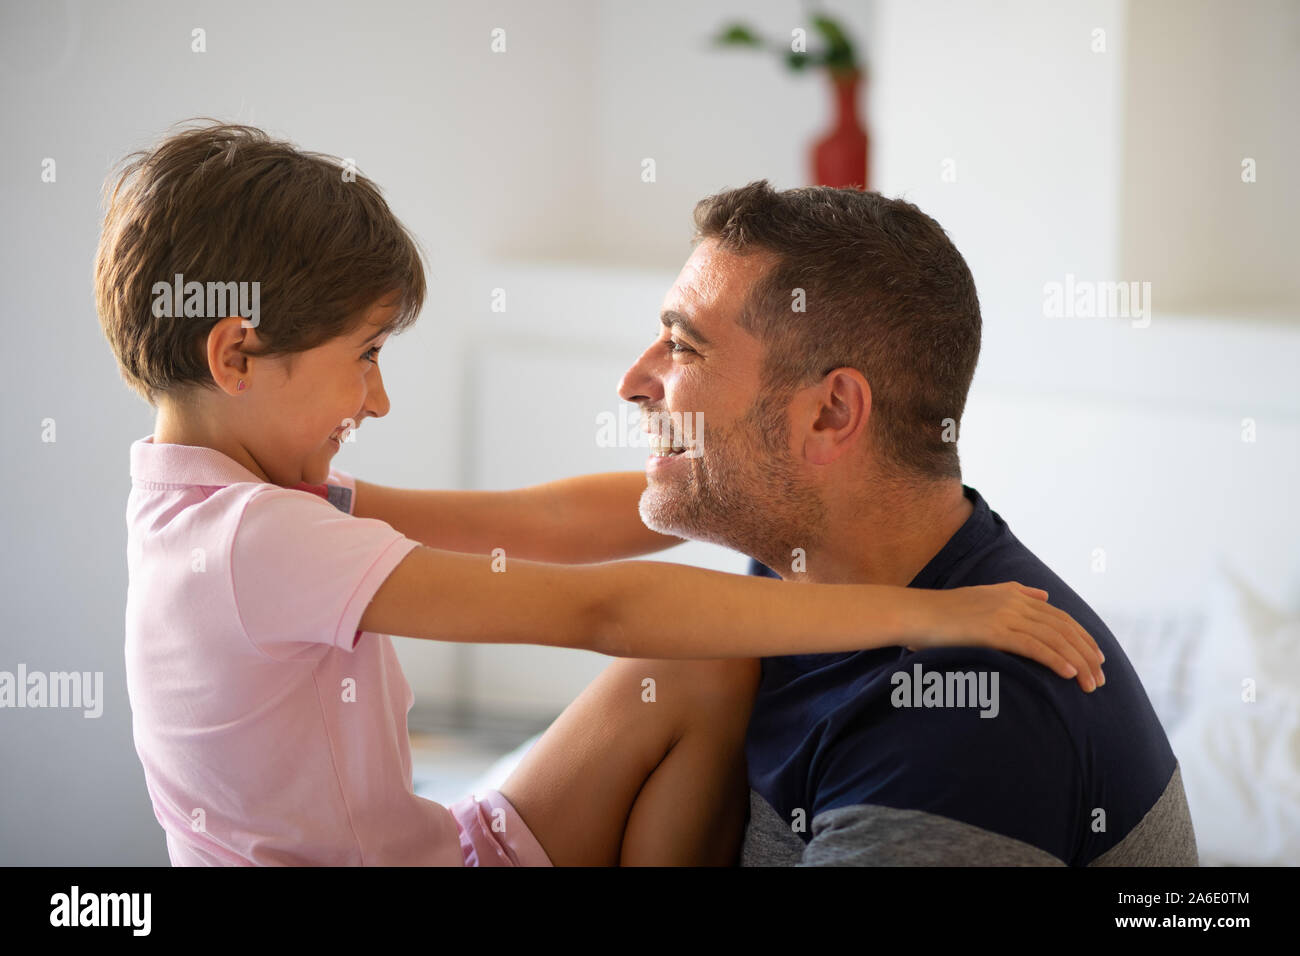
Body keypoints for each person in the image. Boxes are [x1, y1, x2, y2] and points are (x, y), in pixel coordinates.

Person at [98, 121, 1103, 867]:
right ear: (236, 352)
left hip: (436, 847)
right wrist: (925, 612)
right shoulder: (259, 537)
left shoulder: (226, 509)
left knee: (694, 668)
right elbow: (603, 607)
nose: (378, 396)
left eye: (683, 345)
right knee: (688, 650)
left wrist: (722, 482)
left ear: (831, 414)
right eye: (363, 357)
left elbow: (536, 523)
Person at [607, 179, 1199, 866]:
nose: (632, 381)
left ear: (829, 413)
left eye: (684, 347)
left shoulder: (966, 723)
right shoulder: (792, 565)